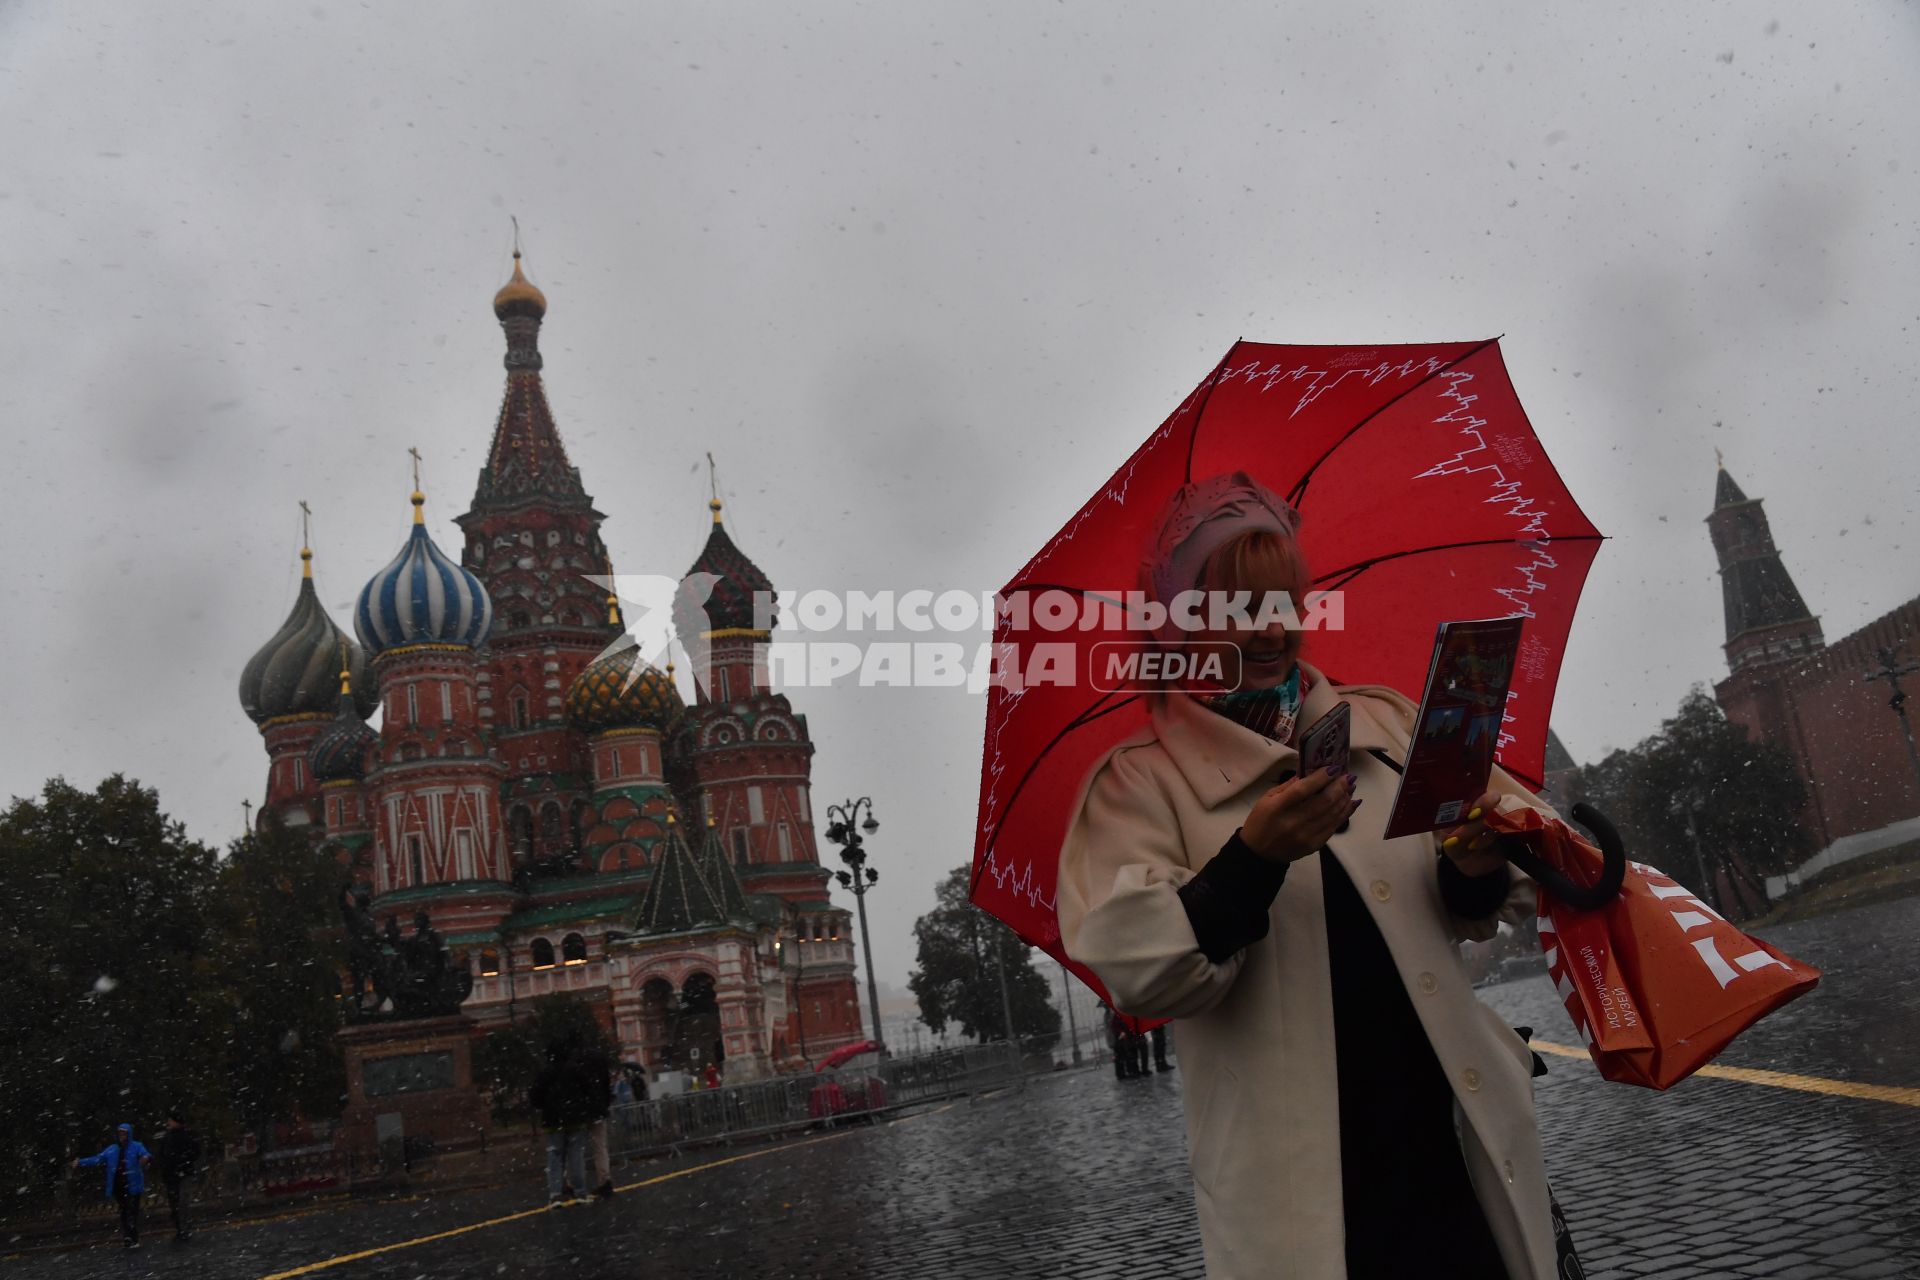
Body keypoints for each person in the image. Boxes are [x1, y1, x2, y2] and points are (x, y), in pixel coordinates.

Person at [1057, 473, 1571, 1279]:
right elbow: (1139, 971)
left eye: (1282, 602)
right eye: (1236, 608)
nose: (1269, 631)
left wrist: (1471, 864)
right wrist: (1249, 862)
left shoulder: (1393, 722)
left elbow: (1470, 902)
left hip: (1457, 1155)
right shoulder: (1137, 785)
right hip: (1307, 1199)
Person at [528, 1030, 595, 1208]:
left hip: (553, 1120)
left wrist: (545, 1106)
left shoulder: (545, 1073)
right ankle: (580, 1191)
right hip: (575, 1119)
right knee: (576, 1155)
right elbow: (588, 1090)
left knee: (555, 1157)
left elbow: (535, 1096)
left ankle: (555, 1194)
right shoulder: (575, 1070)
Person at [73, 1122, 152, 1249]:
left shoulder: (136, 1146)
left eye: (124, 1133)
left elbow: (146, 1155)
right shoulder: (112, 1149)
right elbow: (98, 1159)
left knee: (130, 1210)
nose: (122, 1136)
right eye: (120, 1133)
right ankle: (130, 1236)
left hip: (132, 1184)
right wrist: (81, 1162)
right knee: (126, 1210)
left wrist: (145, 1158)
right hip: (119, 1185)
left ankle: (130, 1236)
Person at [156, 1110, 201, 1241]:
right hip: (173, 1174)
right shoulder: (168, 1137)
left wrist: (183, 1163)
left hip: (182, 1173)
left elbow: (195, 1152)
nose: (168, 1123)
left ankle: (183, 1228)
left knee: (181, 1201)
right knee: (175, 1202)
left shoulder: (186, 1136)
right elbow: (162, 1154)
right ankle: (180, 1227)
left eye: (171, 1121)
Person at [584, 1041, 617, 1201]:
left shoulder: (575, 1060)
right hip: (599, 1108)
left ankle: (575, 1185)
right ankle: (605, 1181)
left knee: (575, 1148)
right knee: (600, 1146)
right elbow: (606, 1082)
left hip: (581, 1110)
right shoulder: (599, 1058)